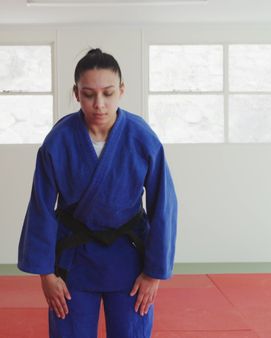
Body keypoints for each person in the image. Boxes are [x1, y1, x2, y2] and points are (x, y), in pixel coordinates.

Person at [17, 48, 177, 338]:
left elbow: (163, 205)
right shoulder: (59, 140)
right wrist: (46, 275)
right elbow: (40, 207)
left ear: (122, 90)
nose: (99, 104)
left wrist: (154, 272)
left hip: (129, 262)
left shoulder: (141, 137)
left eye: (108, 93)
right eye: (89, 94)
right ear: (76, 93)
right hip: (72, 263)